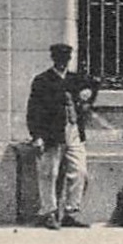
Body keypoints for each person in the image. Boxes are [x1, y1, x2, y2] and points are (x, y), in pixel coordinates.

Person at [25, 43, 95, 230]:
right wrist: (37, 136)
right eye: (59, 59)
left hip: (73, 132)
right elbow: (33, 111)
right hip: (51, 134)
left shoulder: (75, 79)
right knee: (49, 173)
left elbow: (93, 85)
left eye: (66, 59)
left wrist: (89, 93)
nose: (63, 62)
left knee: (79, 171)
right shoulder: (42, 80)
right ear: (53, 59)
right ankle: (49, 213)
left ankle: (70, 212)